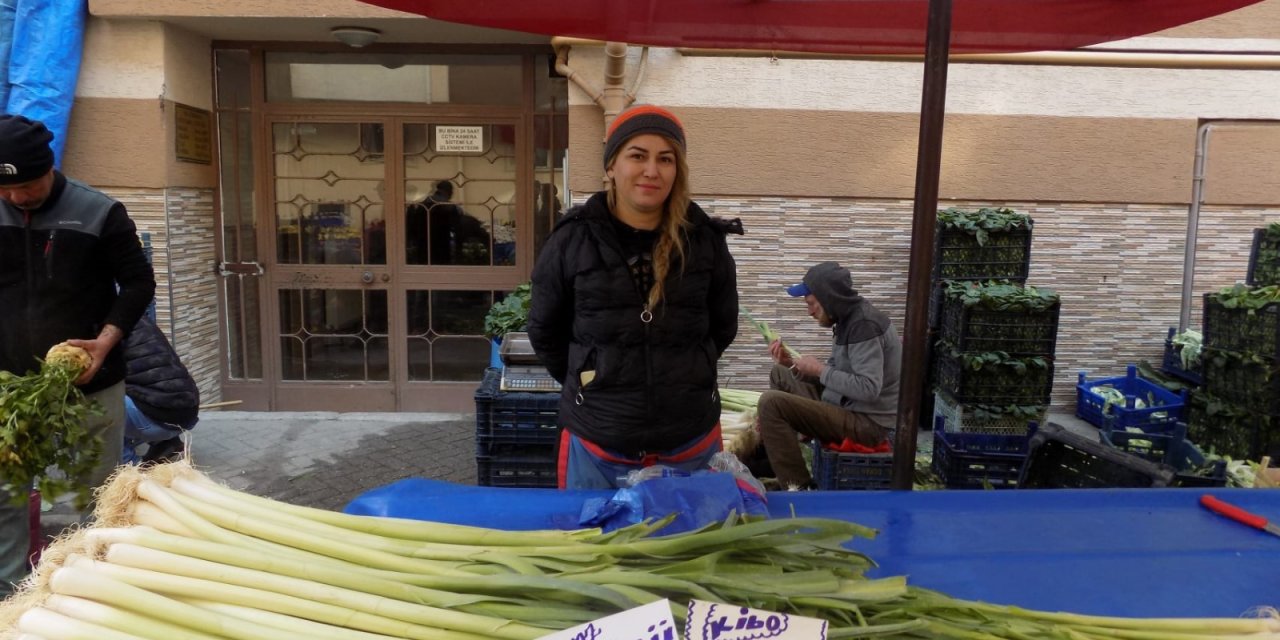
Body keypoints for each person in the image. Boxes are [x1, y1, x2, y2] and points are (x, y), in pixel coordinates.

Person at [527, 104, 740, 490]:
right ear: (611, 166)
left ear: (678, 170)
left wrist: (684, 373)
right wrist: (594, 377)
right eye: (637, 156)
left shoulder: (704, 240)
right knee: (596, 546)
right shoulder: (572, 239)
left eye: (665, 159)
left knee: (683, 549)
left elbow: (722, 327)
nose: (651, 171)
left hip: (690, 441)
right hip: (598, 443)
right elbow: (545, 332)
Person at [0, 114, 156, 596]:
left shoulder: (98, 212)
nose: (16, 197)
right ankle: (12, 592)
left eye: (27, 185)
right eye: (6, 189)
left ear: (50, 167)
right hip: (9, 389)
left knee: (93, 490)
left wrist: (105, 341)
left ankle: (89, 588)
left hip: (91, 380)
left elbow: (137, 283)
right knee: (5, 493)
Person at [757, 261, 902, 489]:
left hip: (869, 423)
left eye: (812, 303)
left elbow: (868, 388)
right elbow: (838, 376)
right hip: (848, 405)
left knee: (770, 404)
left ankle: (799, 488)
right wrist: (793, 364)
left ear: (829, 298)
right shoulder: (846, 320)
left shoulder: (864, 326)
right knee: (781, 372)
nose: (809, 311)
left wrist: (819, 370)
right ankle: (787, 445)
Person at [121, 314, 200, 465]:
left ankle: (126, 466)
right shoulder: (135, 316)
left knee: (98, 400)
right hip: (186, 412)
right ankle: (166, 443)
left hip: (159, 417)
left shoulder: (102, 330)